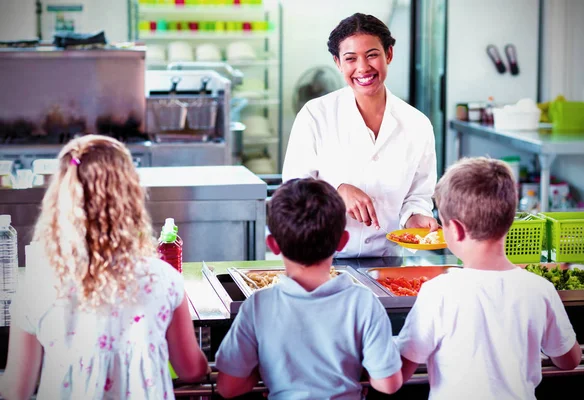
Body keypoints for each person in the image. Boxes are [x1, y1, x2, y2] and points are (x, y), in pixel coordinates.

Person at [0, 135, 209, 400]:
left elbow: (16, 391)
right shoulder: (163, 279)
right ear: (130, 200)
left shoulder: (37, 285)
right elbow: (190, 370)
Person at [395, 157, 582, 399]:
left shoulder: (438, 292)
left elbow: (400, 371)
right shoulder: (539, 289)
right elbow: (570, 360)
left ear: (457, 230)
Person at [215, 178, 403, 399]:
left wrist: (262, 370)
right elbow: (388, 384)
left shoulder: (257, 306)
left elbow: (228, 387)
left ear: (273, 245)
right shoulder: (363, 302)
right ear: (342, 242)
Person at [282, 13, 438, 257]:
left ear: (389, 54)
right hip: (322, 259)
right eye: (351, 58)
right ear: (338, 63)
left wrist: (416, 217)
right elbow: (292, 190)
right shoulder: (315, 115)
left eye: (372, 55)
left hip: (386, 259)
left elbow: (418, 195)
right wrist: (336, 190)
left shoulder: (417, 124)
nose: (363, 67)